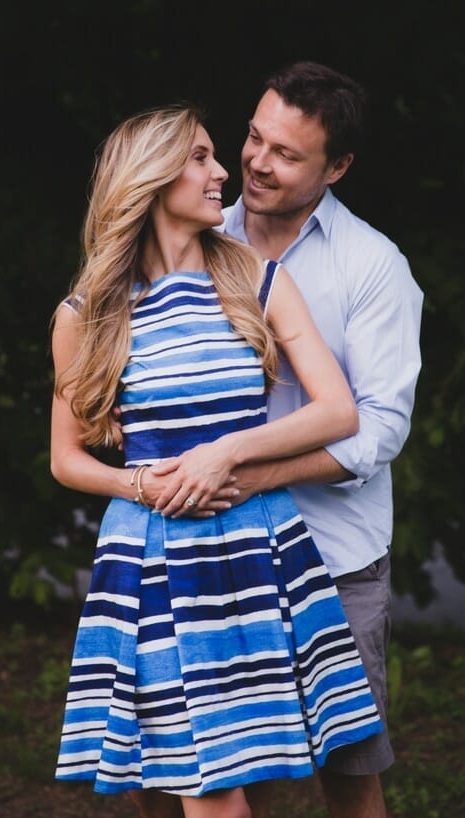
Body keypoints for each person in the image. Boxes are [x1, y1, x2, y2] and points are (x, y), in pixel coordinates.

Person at [51, 106, 384, 818]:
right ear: (152, 177)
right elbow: (66, 458)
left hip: (259, 551)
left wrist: (226, 452)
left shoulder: (255, 281)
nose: (222, 172)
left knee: (263, 779)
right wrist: (136, 482)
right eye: (200, 158)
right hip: (154, 564)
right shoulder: (88, 314)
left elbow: (337, 411)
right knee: (208, 793)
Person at [221, 61, 422, 818]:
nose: (257, 162)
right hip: (224, 545)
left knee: (347, 769)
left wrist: (253, 472)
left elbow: (379, 431)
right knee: (239, 769)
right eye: (253, 137)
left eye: (286, 153)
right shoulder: (197, 240)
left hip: (333, 556)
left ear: (337, 167)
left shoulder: (372, 267)